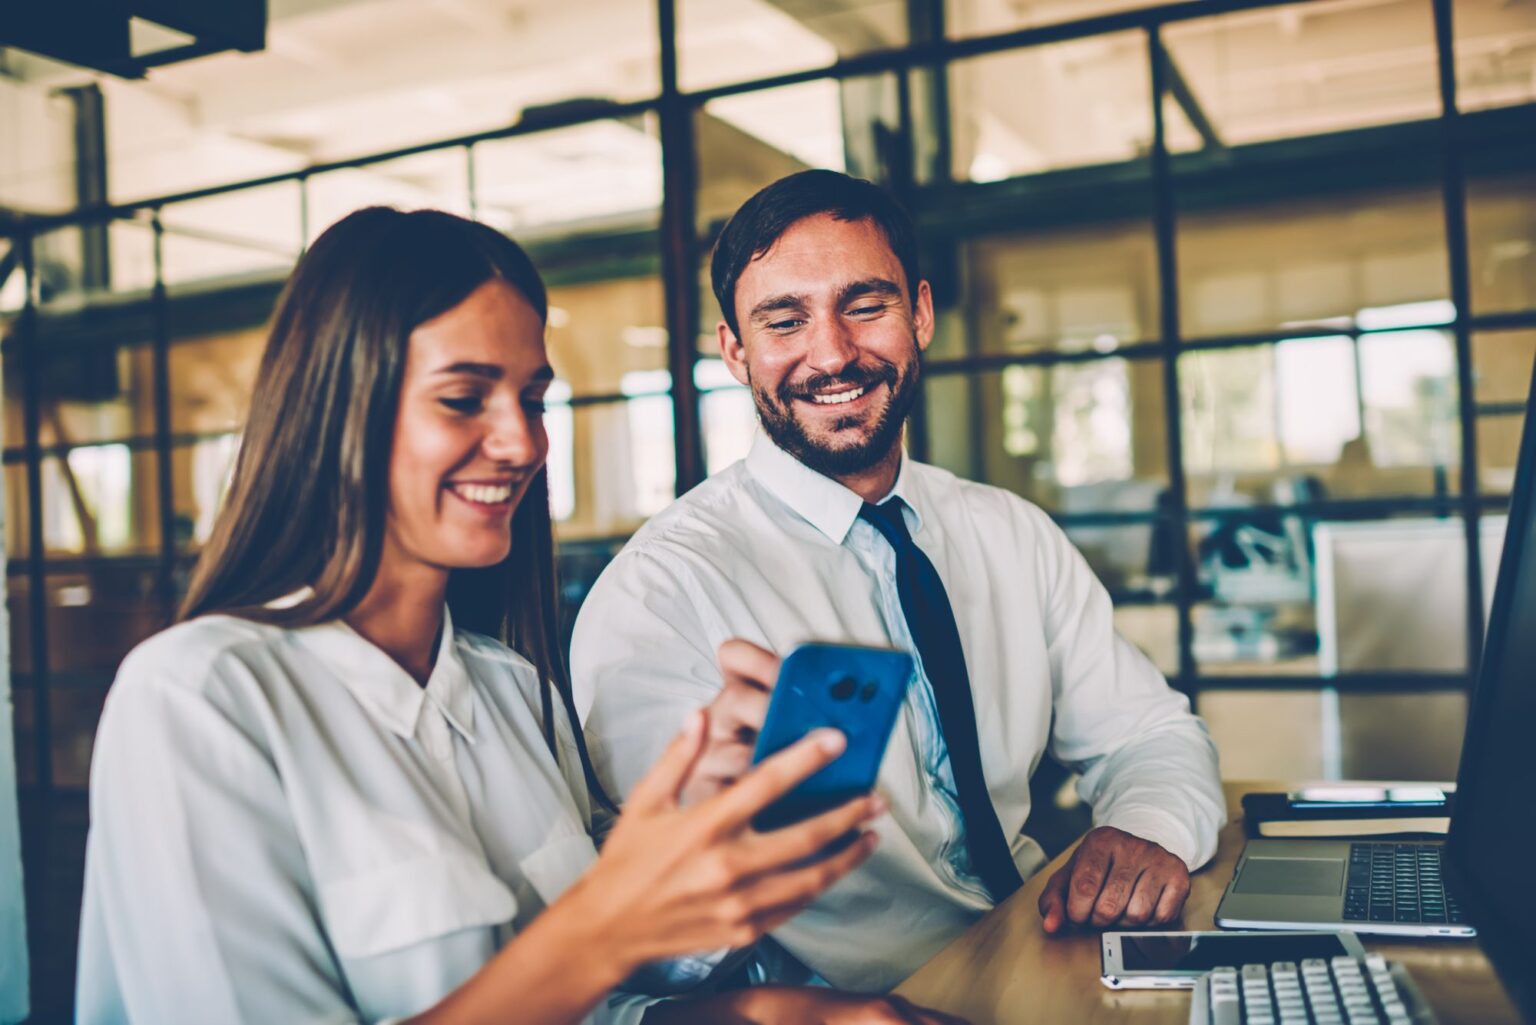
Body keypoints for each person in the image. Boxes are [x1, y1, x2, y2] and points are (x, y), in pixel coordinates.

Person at [74, 207, 969, 1025]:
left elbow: (591, 1008)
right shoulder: (200, 697)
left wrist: (759, 1008)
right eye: (464, 397)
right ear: (341, 409)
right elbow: (579, 962)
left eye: (533, 399)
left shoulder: (509, 691)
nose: (523, 442)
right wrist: (603, 930)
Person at [572, 170, 1227, 992]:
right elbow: (654, 950)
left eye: (865, 305)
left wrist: (1145, 827)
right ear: (735, 352)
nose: (834, 352)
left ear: (919, 314)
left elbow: (1151, 733)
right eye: (785, 320)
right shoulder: (664, 592)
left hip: (1044, 956)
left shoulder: (1008, 533)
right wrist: (728, 837)